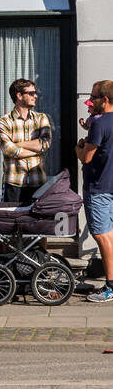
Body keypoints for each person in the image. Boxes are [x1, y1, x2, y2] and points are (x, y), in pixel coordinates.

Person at [77, 80, 113, 302]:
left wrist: (77, 147)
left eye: (94, 97)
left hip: (99, 187)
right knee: (110, 235)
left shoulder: (99, 124)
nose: (91, 100)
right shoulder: (102, 123)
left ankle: (110, 286)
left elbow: (87, 157)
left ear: (105, 100)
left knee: (102, 235)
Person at [0, 78, 53, 205]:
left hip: (37, 180)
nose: (36, 96)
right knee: (12, 221)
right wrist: (37, 150)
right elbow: (9, 149)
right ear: (19, 95)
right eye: (31, 93)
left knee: (35, 222)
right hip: (14, 182)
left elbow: (45, 143)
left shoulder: (41, 118)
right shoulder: (5, 121)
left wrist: (18, 145)